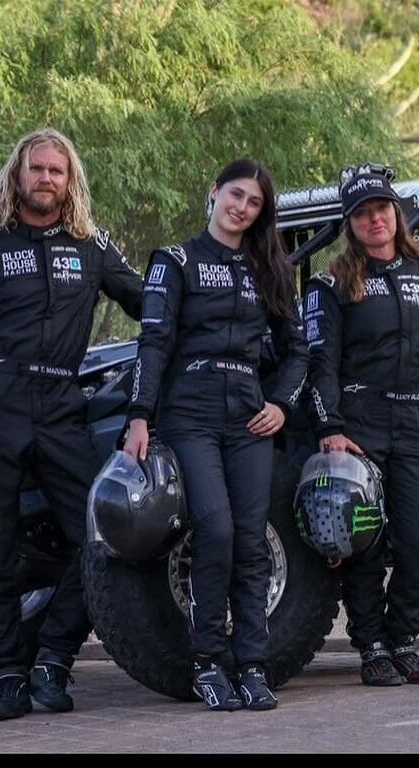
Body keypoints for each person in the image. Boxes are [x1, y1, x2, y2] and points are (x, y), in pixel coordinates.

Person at [0, 127, 143, 720]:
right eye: (37, 168)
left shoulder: (91, 243)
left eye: (57, 171)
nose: (46, 178)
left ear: (71, 182)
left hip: (63, 403)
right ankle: (8, 679)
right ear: (18, 173)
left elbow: (150, 303)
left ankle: (53, 660)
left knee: (103, 534)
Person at [123, 159, 308, 711]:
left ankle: (253, 666)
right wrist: (139, 416)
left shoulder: (271, 268)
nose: (242, 208)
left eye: (253, 203)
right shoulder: (174, 261)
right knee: (217, 531)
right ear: (214, 193)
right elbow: (152, 344)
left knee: (252, 540)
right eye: (235, 195)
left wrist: (281, 404)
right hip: (190, 415)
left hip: (250, 417)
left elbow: (298, 352)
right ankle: (207, 663)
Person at [304, 163, 419, 687]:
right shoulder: (332, 284)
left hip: (417, 424)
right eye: (362, 213)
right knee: (364, 543)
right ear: (349, 223)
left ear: (397, 214)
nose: (374, 219)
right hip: (359, 429)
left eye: (382, 209)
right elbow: (320, 364)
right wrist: (330, 425)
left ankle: (403, 639)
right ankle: (372, 646)